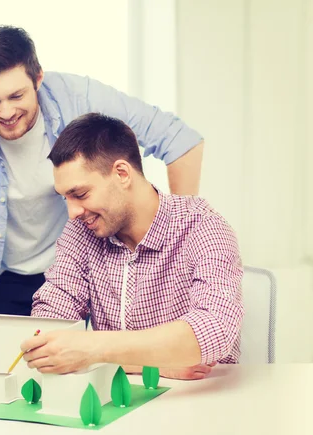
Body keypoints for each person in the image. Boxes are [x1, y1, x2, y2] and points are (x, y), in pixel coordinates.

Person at [0, 25, 205, 319]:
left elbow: (180, 142)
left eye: (16, 96)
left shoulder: (80, 97)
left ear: (38, 78)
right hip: (4, 279)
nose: (7, 112)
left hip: (80, 271)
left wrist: (176, 251)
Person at [20, 113, 243, 380]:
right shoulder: (81, 233)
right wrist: (153, 365)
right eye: (66, 198)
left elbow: (214, 329)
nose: (72, 212)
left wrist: (93, 349)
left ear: (122, 174)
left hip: (203, 400)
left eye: (80, 194)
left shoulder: (203, 226)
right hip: (116, 399)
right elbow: (49, 329)